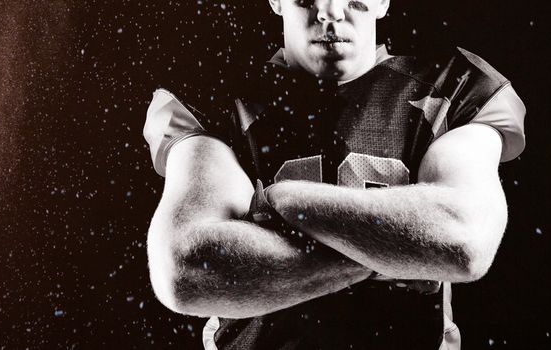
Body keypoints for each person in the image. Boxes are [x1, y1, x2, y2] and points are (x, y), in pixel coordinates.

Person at [143, 0, 526, 348]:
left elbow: (462, 241)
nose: (329, 10)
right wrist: (401, 252)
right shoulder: (219, 92)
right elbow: (186, 267)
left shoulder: (453, 87)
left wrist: (285, 200)